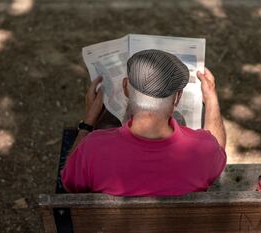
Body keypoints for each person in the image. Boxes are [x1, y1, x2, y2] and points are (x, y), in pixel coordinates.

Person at [61, 49, 226, 196]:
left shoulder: (92, 149)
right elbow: (218, 152)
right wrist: (211, 99)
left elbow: (70, 185)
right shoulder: (204, 149)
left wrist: (87, 124)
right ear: (178, 97)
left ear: (125, 87)